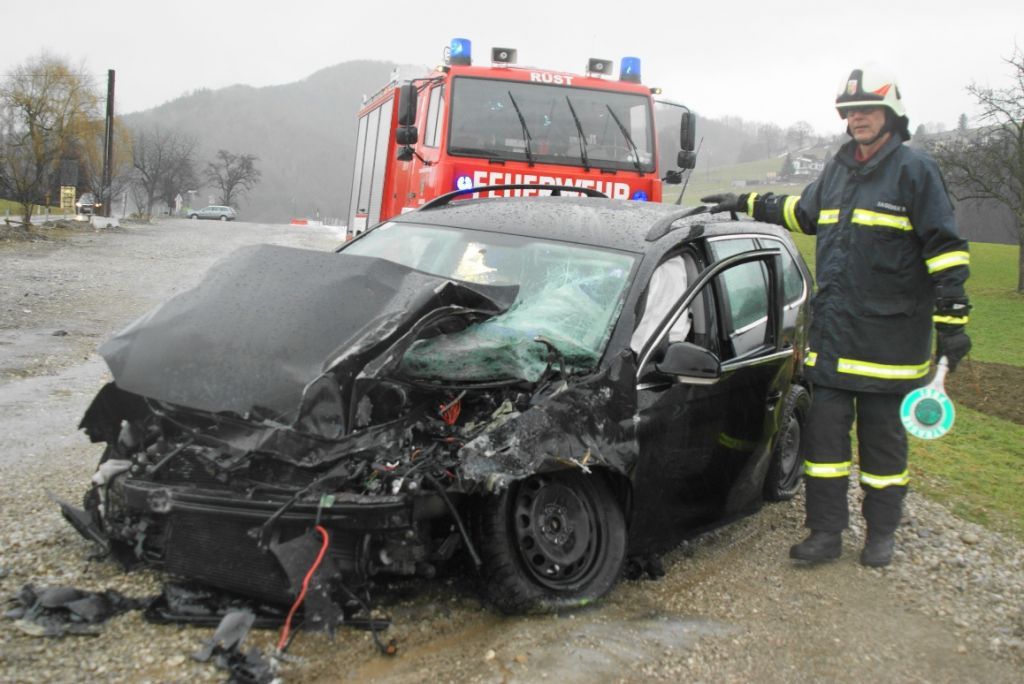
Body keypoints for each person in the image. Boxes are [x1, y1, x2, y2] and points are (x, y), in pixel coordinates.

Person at [701, 67, 972, 567]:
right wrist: (746, 203)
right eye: (849, 112)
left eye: (867, 110)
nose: (857, 118)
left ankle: (881, 536)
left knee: (883, 452)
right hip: (833, 343)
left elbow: (945, 249)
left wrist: (953, 319)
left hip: (889, 348)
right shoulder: (839, 169)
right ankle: (825, 533)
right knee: (824, 447)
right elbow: (802, 213)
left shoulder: (915, 171)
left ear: (891, 114)